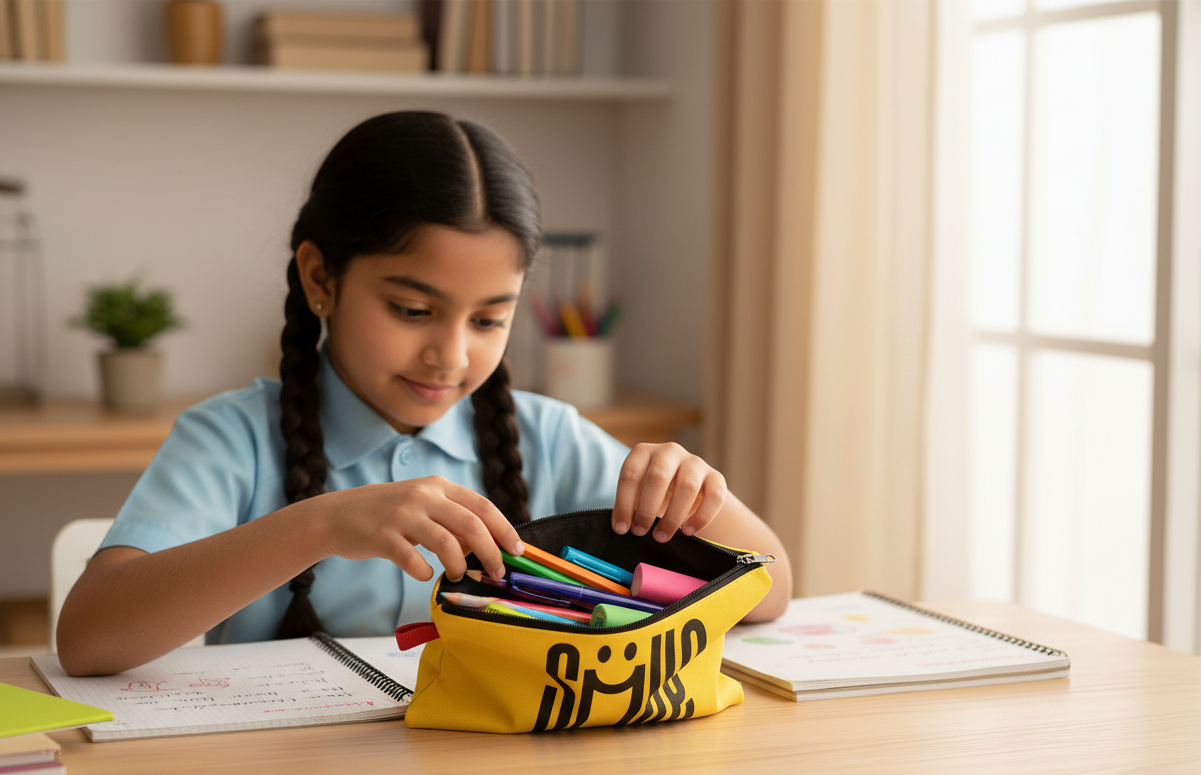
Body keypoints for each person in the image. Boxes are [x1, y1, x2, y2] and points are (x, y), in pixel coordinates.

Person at [56, 111, 792, 676]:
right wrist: (318, 526)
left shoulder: (547, 436)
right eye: (412, 311)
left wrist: (704, 499)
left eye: (490, 318)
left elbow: (771, 591)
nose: (451, 353)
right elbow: (89, 638)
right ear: (320, 279)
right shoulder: (234, 438)